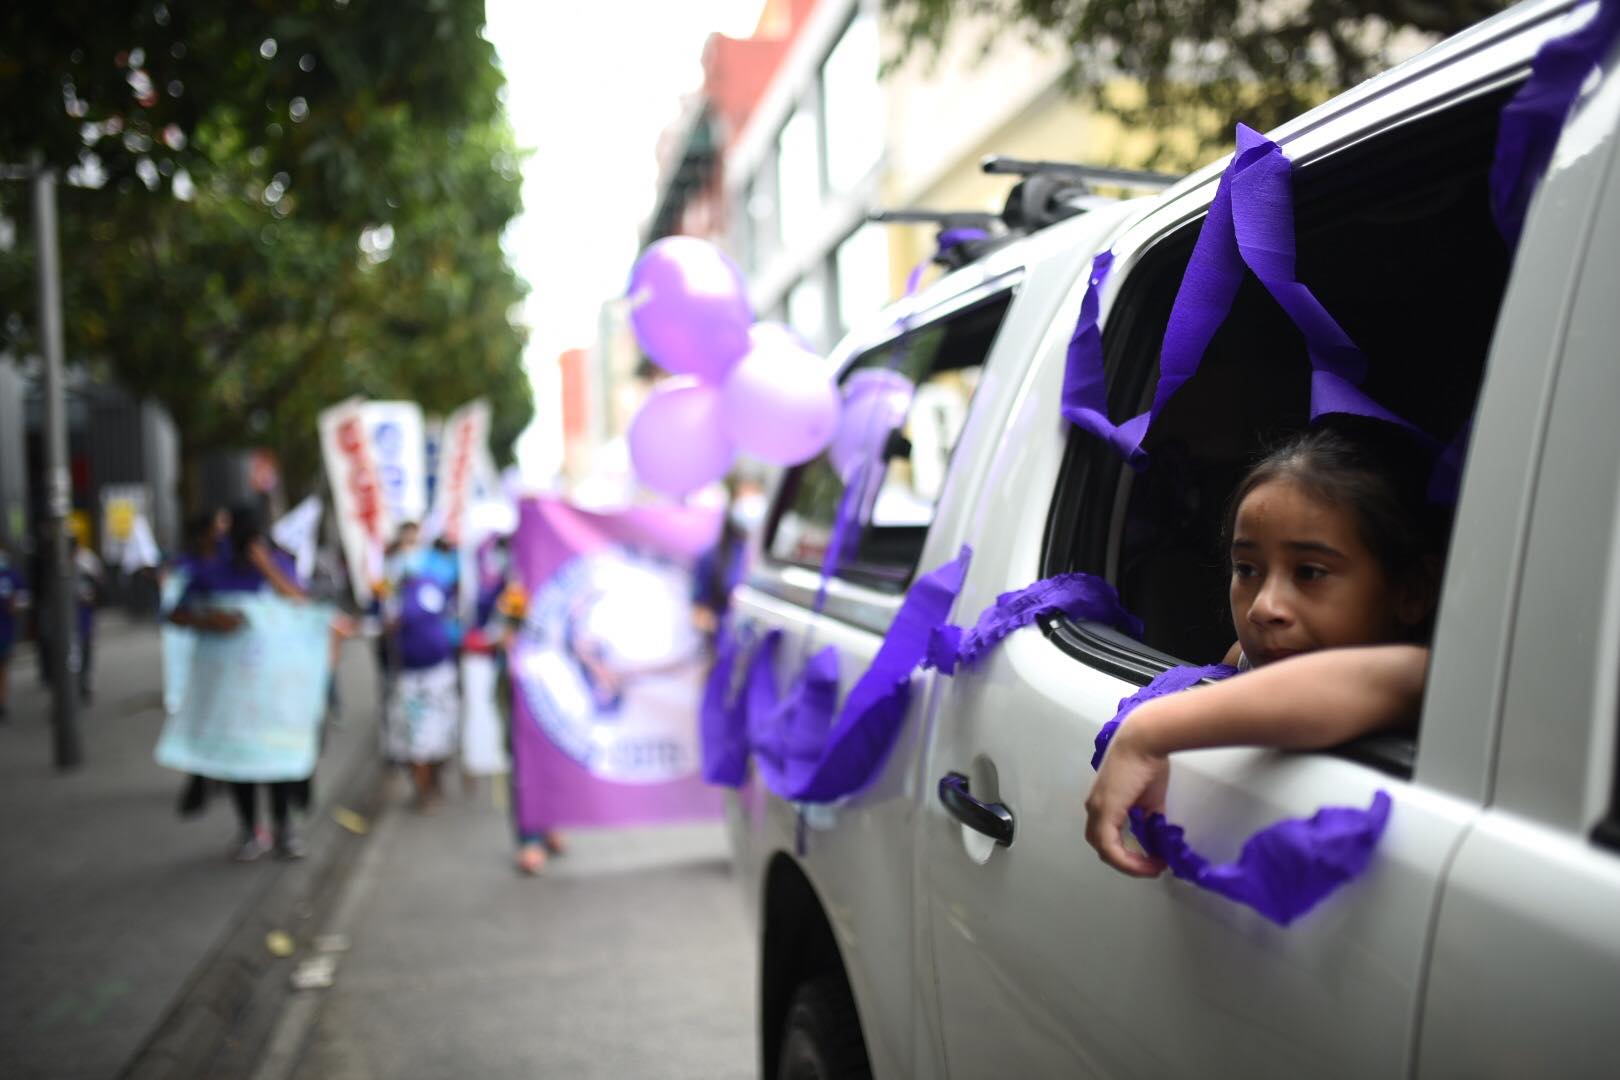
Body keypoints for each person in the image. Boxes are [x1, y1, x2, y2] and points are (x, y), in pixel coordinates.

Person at [1085, 421, 1447, 877]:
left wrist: (1146, 735)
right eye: (1247, 568)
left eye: (1310, 572)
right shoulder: (1249, 655)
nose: (1264, 607)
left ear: (1413, 591)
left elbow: (1343, 685)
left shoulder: (1429, 677)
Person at [169, 504, 312, 861]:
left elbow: (302, 606)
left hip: (276, 689)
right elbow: (176, 613)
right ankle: (250, 830)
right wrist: (211, 622)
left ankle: (284, 829)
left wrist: (267, 567)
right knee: (240, 760)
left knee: (277, 758)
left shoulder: (279, 566)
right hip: (231, 690)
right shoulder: (211, 570)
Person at [0, 542, 27, 720]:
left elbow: (23, 598)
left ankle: (2, 704)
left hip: (5, 632)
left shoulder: (11, 575)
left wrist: (16, 606)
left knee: (3, 669)